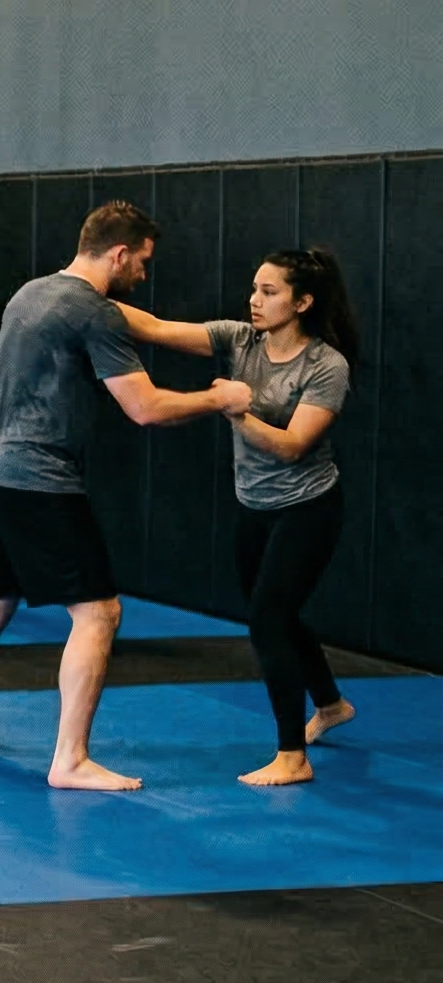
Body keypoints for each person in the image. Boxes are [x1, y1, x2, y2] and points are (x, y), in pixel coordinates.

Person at [0, 201, 252, 791]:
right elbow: (145, 408)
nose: (144, 275)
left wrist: (233, 340)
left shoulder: (34, 292)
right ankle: (70, 759)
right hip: (34, 476)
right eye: (143, 263)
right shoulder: (92, 313)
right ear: (120, 253)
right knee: (99, 611)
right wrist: (220, 399)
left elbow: (149, 326)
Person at [115, 247, 358, 787]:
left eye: (269, 292)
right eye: (254, 289)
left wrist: (235, 408)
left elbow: (294, 445)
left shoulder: (325, 366)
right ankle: (332, 704)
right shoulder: (238, 339)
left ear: (303, 301)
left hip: (308, 511)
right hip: (254, 507)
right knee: (281, 613)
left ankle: (292, 755)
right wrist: (81, 292)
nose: (254, 300)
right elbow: (155, 328)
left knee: (268, 618)